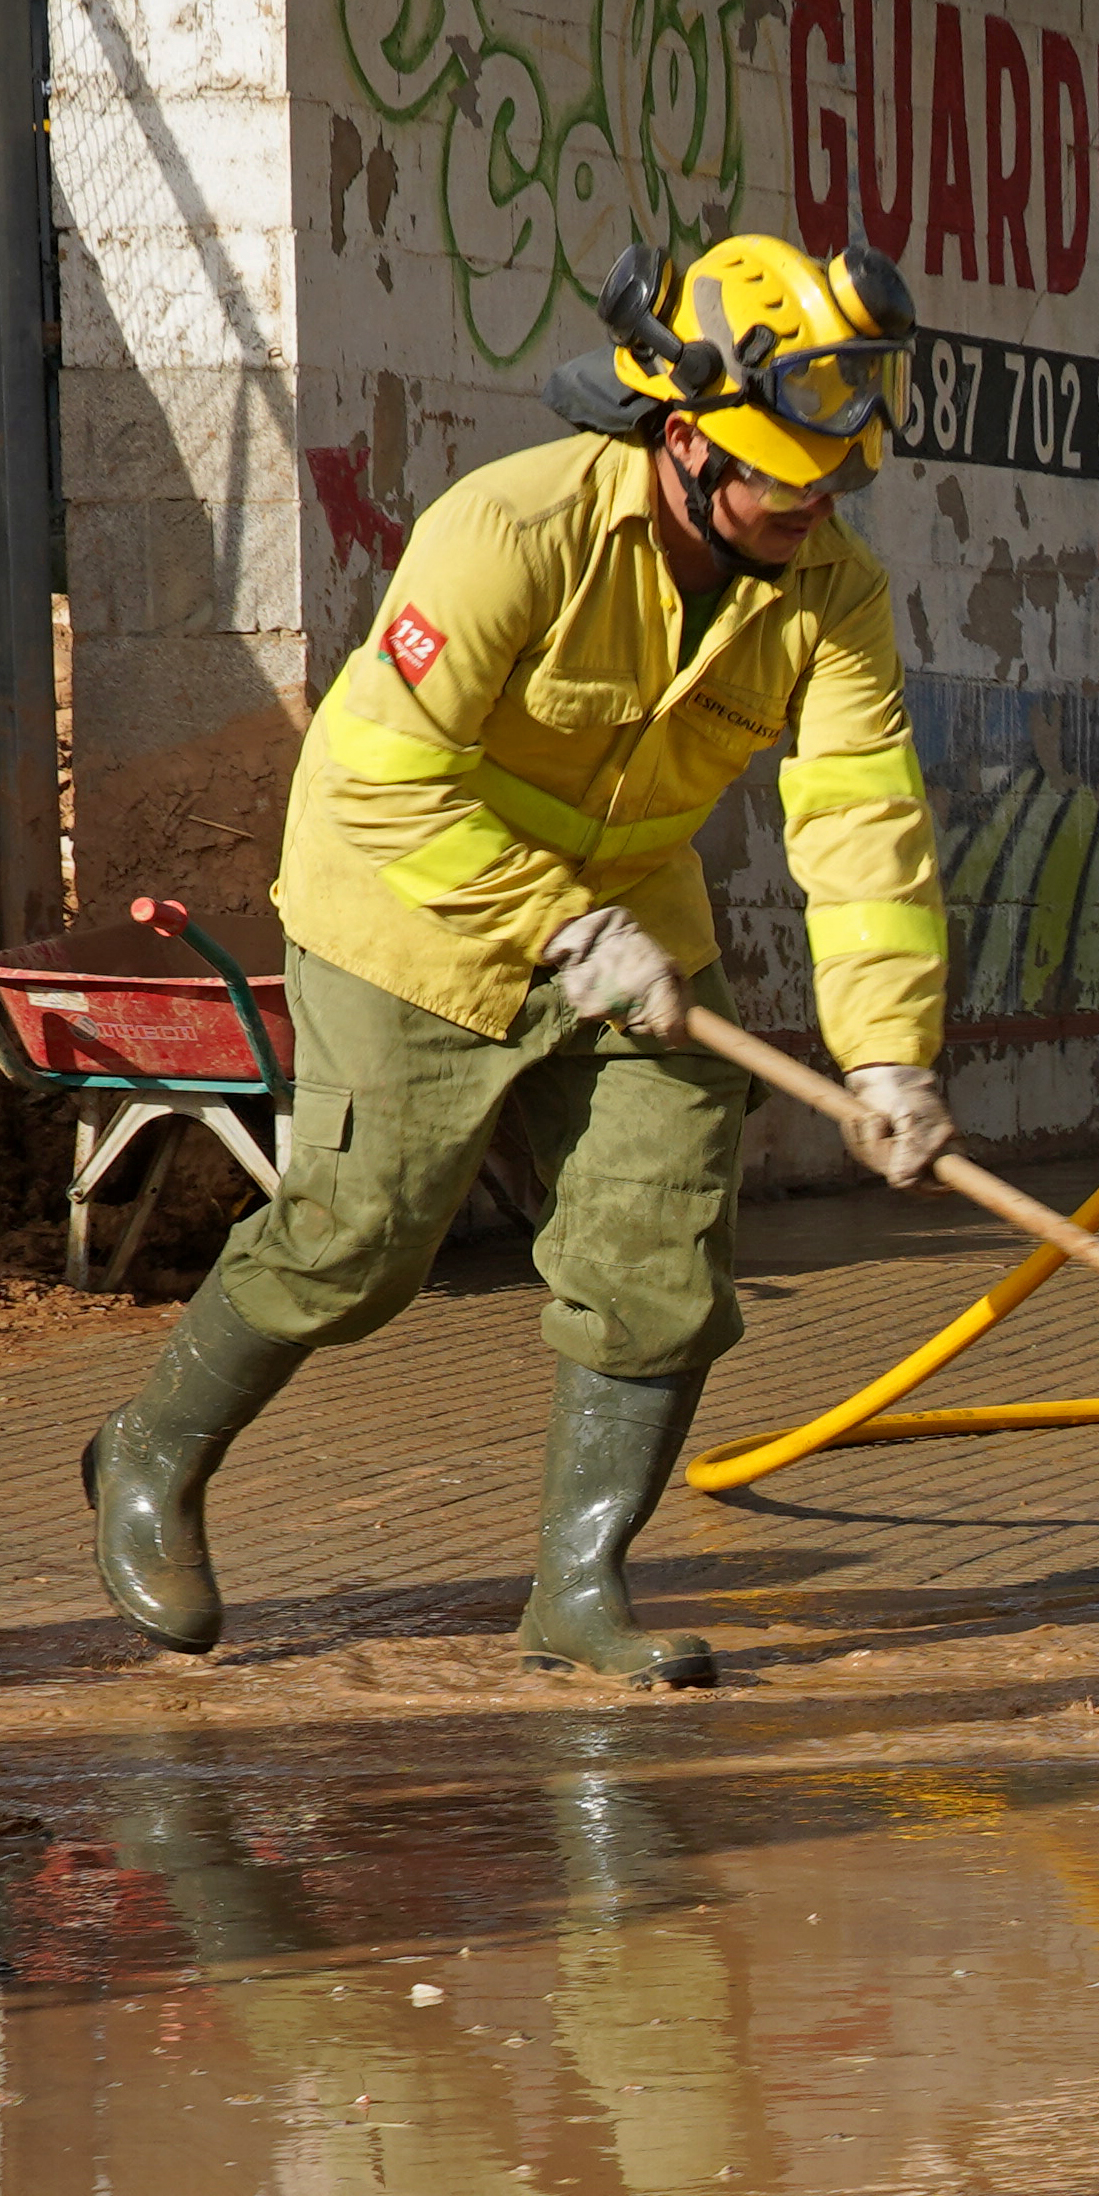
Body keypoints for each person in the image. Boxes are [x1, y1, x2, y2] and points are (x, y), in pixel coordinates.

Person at [79, 234, 956, 1690]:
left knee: (660, 1246)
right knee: (360, 1239)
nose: (811, 506)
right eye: (780, 478)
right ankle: (147, 1455)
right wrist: (553, 925)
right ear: (682, 442)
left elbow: (862, 817)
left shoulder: (831, 592)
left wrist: (888, 1054)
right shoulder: (511, 530)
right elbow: (379, 786)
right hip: (414, 909)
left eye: (832, 477)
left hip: (636, 928)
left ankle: (578, 1586)